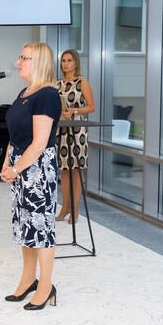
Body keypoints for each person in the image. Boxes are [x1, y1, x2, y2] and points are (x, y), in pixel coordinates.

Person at [0, 42, 62, 311]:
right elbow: (15, 135)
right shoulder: (24, 92)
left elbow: (38, 144)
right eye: (20, 56)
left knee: (41, 228)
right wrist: (7, 163)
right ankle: (28, 280)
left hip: (37, 169)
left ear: (39, 62)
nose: (18, 62)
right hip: (20, 164)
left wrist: (17, 168)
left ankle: (46, 286)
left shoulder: (47, 95)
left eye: (24, 57)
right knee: (25, 227)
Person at [55, 49, 95, 224]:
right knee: (64, 170)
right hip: (61, 129)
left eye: (69, 60)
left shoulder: (82, 82)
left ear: (76, 63)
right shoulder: (57, 84)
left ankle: (75, 209)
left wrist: (74, 111)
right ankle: (65, 207)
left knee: (76, 169)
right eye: (63, 60)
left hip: (77, 130)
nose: (65, 63)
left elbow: (91, 107)